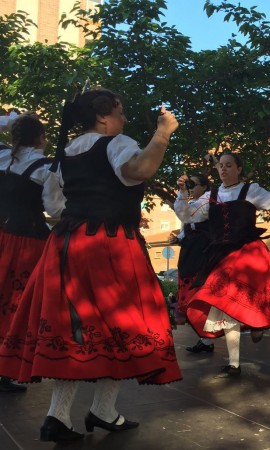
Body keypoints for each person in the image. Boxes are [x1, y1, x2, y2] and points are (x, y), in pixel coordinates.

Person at [0, 89, 182, 443]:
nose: (124, 118)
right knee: (120, 326)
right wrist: (163, 133)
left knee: (75, 330)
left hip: (67, 244)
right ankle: (95, 411)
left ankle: (68, 414)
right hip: (108, 245)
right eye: (121, 111)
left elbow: (56, 206)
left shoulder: (64, 154)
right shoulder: (115, 143)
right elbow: (140, 168)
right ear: (103, 116)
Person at [185, 153, 270, 378]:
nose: (223, 169)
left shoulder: (251, 190)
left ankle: (257, 322)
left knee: (232, 300)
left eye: (228, 165)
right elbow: (188, 215)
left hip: (247, 252)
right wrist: (182, 193)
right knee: (225, 305)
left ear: (239, 169)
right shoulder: (209, 196)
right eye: (221, 166)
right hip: (221, 254)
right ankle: (235, 363)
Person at [0, 114, 64, 393]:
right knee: (20, 304)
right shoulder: (48, 167)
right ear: (40, 138)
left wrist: (11, 120)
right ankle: (8, 367)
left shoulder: (3, 156)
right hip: (28, 243)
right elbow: (56, 209)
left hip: (2, 236)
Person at [173, 173, 216, 353]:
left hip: (202, 252)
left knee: (199, 296)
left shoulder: (208, 203)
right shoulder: (192, 205)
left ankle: (207, 339)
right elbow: (186, 224)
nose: (191, 187)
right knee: (189, 296)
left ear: (205, 187)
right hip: (189, 252)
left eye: (194, 184)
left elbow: (191, 216)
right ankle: (204, 340)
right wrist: (178, 238)